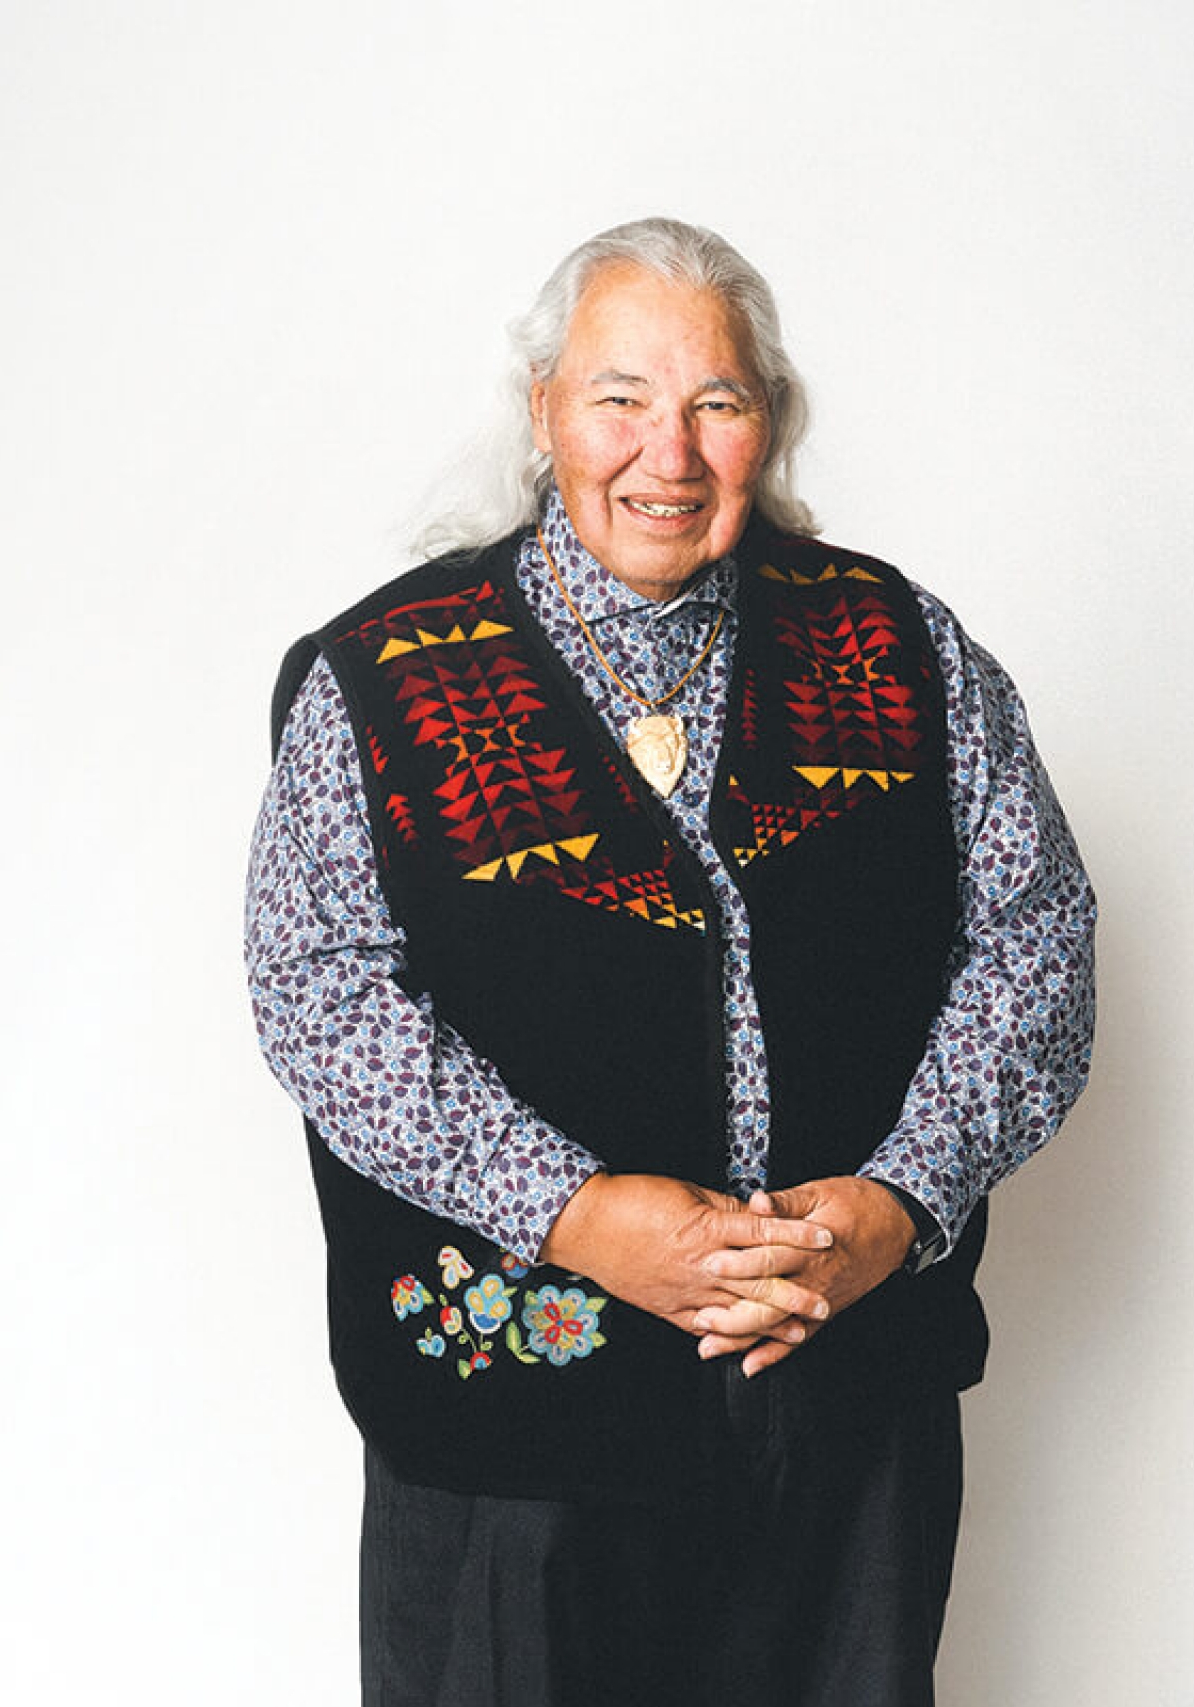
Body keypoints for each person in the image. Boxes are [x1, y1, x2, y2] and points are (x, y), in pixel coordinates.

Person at [244, 217, 1096, 1707]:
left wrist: (900, 1204)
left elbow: (1037, 936)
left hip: (846, 1406)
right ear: (543, 410)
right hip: (519, 1430)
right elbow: (321, 995)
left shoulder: (901, 647)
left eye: (717, 401)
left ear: (770, 422)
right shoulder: (381, 677)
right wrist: (575, 1215)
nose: (670, 453)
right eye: (620, 397)